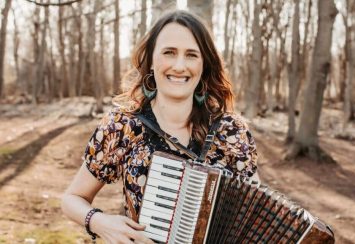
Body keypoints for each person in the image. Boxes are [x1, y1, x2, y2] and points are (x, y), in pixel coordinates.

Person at [61, 10, 259, 243]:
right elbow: (72, 198)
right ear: (152, 60)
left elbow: (255, 216)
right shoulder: (123, 126)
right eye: (169, 52)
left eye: (191, 55)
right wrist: (100, 222)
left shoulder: (231, 132)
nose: (179, 65)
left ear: (204, 64)